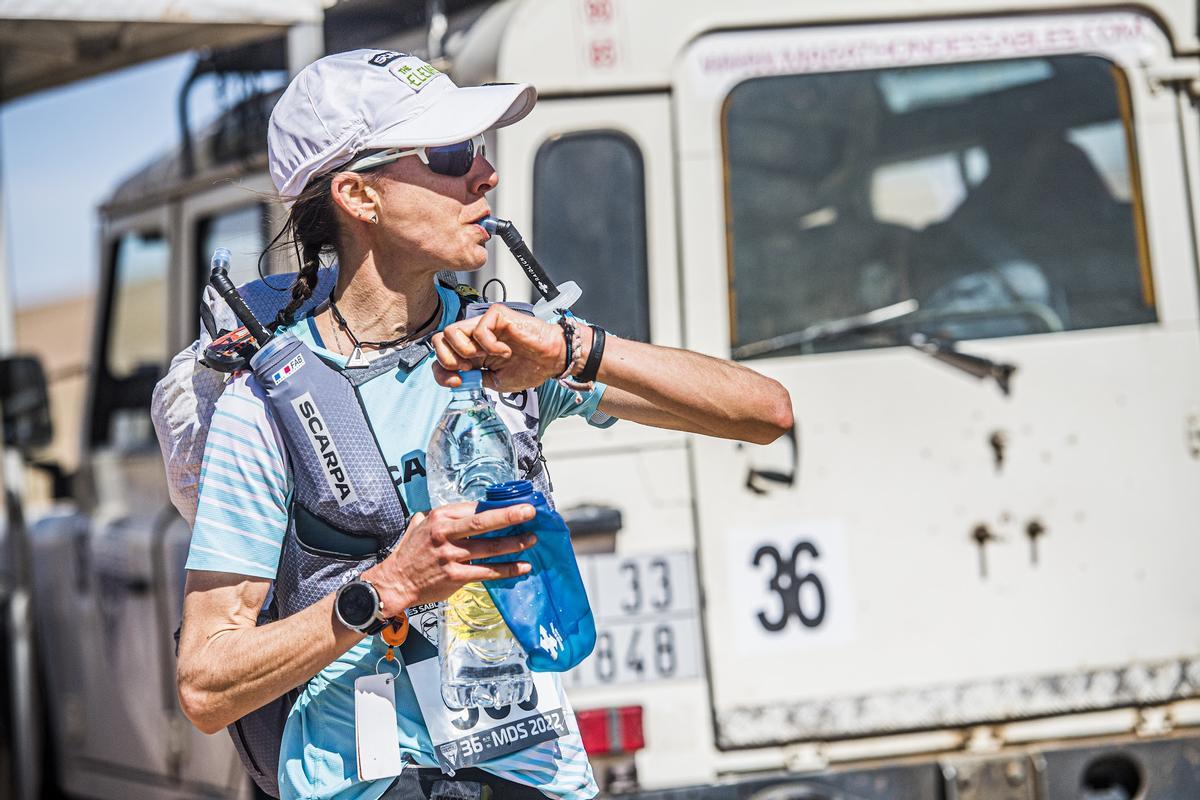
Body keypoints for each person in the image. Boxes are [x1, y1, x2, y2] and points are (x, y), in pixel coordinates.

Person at [174, 49, 793, 800]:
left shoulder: (512, 349)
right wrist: (385, 587)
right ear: (358, 195)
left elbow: (765, 414)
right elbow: (207, 687)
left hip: (539, 782)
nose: (485, 174)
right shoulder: (265, 407)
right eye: (451, 153)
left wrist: (574, 348)